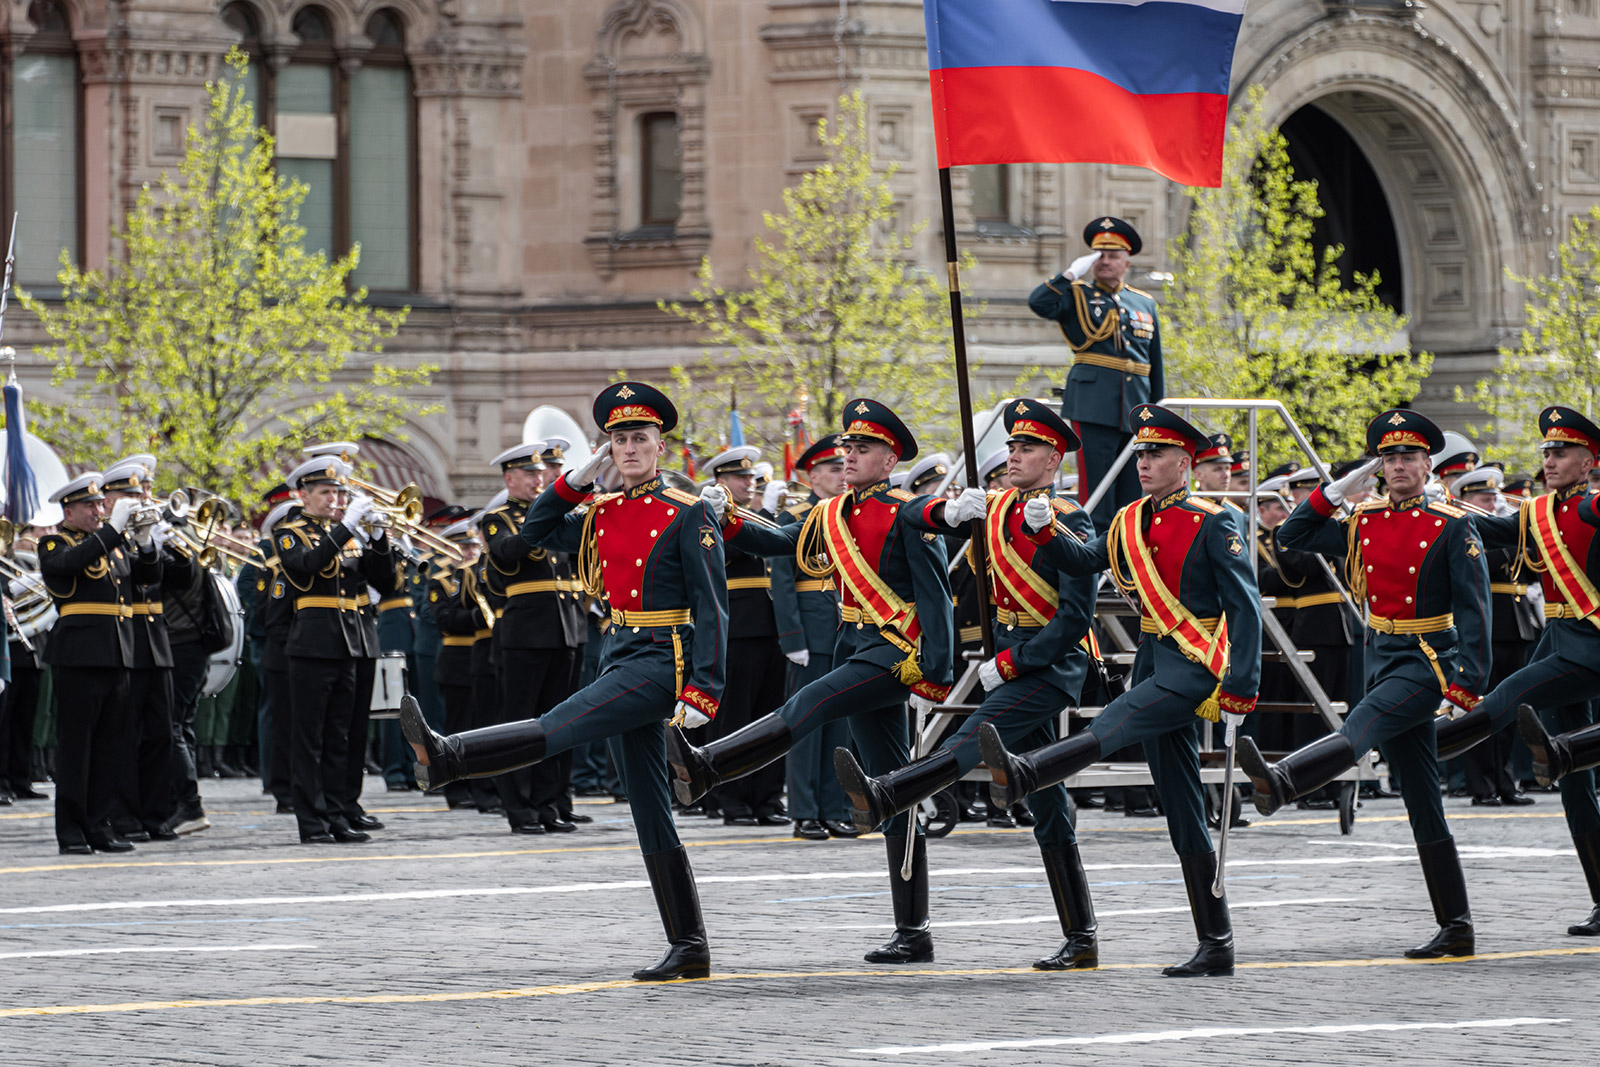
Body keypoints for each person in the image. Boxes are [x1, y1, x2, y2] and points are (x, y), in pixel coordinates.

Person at [401, 381, 728, 981]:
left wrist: (704, 687)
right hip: (619, 649)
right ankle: (690, 946)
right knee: (651, 810)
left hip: (663, 660)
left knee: (560, 725)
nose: (629, 448)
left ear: (661, 446)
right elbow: (533, 531)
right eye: (619, 439)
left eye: (640, 438)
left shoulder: (689, 514)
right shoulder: (598, 513)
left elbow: (712, 607)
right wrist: (577, 479)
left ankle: (450, 757)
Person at [668, 398, 955, 964]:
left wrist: (936, 673)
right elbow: (778, 541)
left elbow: (937, 598)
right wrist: (725, 516)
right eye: (847, 447)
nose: (849, 456)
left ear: (890, 457)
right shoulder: (831, 514)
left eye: (863, 448)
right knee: (895, 787)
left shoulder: (909, 512)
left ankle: (711, 765)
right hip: (858, 645)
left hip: (894, 654)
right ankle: (913, 930)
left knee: (810, 701)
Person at [977, 405, 1259, 977]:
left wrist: (1242, 686)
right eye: (1141, 454)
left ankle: (1027, 772)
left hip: (1194, 663)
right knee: (1181, 805)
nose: (1145, 463)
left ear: (1185, 461)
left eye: (1156, 454)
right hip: (1154, 658)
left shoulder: (1214, 520)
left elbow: (1244, 609)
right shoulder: (1129, 518)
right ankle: (1217, 940)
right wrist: (1043, 531)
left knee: (1114, 724)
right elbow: (1084, 560)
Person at [834, 399, 1103, 969]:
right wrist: (953, 510)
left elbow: (1075, 618)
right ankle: (1082, 938)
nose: (1013, 456)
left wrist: (1014, 661)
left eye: (1026, 449)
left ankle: (890, 792)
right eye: (1010, 447)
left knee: (970, 740)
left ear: (1053, 459)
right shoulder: (995, 508)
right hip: (1003, 662)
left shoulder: (1070, 518)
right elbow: (922, 535)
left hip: (1048, 669)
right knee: (1047, 799)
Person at [1238, 408, 1491, 959]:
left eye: (1410, 457)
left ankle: (1283, 782)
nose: (1400, 466)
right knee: (1423, 797)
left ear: (1429, 465)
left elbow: (1475, 611)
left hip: (1428, 657)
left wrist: (1466, 684)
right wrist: (1336, 490)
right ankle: (1457, 925)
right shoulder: (1365, 519)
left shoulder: (1452, 524)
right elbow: (1293, 537)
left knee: (1362, 726)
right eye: (1390, 458)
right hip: (1381, 652)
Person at [1435, 407, 1600, 936]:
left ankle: (1428, 744)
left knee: (1514, 692)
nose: (1550, 461)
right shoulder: (1538, 513)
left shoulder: (1597, 507)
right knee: (1575, 786)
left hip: (1589, 644)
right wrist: (1427, 506)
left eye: (1562, 452)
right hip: (1559, 639)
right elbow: (1488, 527)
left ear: (1589, 460)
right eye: (1546, 453)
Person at [274, 458, 397, 845]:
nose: (335, 499)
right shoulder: (290, 532)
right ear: (304, 495)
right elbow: (306, 566)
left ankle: (339, 812)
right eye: (326, 492)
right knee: (310, 738)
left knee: (343, 736)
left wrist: (378, 539)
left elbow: (385, 582)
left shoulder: (348, 534)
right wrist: (347, 528)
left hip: (353, 643)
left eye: (339, 492)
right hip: (314, 645)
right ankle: (312, 821)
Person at [37, 472, 159, 854]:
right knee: (77, 747)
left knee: (111, 746)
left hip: (118, 653)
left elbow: (148, 580)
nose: (98, 509)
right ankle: (71, 830)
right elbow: (71, 564)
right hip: (80, 656)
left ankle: (99, 824)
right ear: (68, 511)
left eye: (99, 503)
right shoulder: (55, 543)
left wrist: (145, 544)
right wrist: (114, 531)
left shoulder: (113, 545)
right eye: (89, 505)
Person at [1029, 216, 1164, 532]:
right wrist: (1071, 273)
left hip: (1135, 409)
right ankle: (1094, 561)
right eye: (1099, 256)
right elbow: (1038, 302)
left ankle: (1125, 559)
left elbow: (1154, 364)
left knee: (1133, 495)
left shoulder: (1144, 303)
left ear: (1126, 262)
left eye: (1113, 256)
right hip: (1093, 407)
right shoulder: (1076, 294)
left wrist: (1156, 413)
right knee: (1097, 498)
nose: (1105, 262)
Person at [481, 441, 586, 834]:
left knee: (560, 723)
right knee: (519, 725)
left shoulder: (557, 516)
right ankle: (520, 807)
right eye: (529, 474)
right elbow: (509, 552)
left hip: (567, 630)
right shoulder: (497, 518)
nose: (538, 480)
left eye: (541, 474)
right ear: (510, 478)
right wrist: (549, 515)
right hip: (526, 633)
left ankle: (551, 803)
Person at [770, 435, 857, 841]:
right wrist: (792, 638)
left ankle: (833, 807)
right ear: (812, 475)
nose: (843, 475)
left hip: (845, 631)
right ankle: (804, 811)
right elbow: (784, 582)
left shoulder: (846, 515)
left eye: (845, 467)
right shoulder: (796, 517)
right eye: (834, 469)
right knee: (805, 726)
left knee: (838, 725)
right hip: (811, 631)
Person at [101, 461, 191, 843]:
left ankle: (155, 813)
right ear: (107, 501)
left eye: (141, 494)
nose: (139, 501)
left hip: (157, 642)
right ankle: (123, 815)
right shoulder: (106, 537)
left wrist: (161, 540)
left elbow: (181, 578)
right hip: (125, 639)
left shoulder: (146, 533)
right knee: (126, 734)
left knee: (159, 734)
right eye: (128, 495)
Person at [699, 446, 789, 827]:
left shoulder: (750, 516)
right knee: (735, 718)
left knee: (771, 718)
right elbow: (727, 552)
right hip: (737, 627)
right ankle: (731, 797)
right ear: (721, 482)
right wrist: (766, 515)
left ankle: (766, 797)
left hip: (772, 625)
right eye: (740, 478)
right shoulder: (710, 517)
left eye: (751, 479)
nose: (749, 484)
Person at [1449, 466, 1539, 808]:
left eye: (1493, 496)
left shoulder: (1504, 526)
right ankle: (1481, 783)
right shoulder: (1464, 527)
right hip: (1484, 626)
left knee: (1509, 710)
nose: (1492, 501)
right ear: (1467, 499)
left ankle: (1505, 780)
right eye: (1484, 498)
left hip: (1516, 625)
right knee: (1478, 708)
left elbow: (1531, 569)